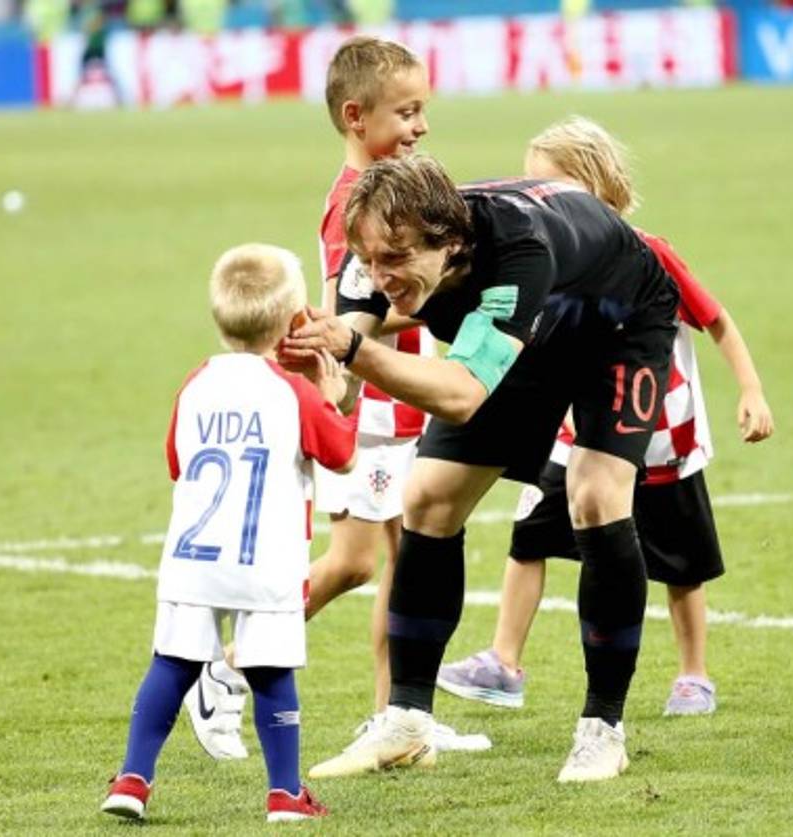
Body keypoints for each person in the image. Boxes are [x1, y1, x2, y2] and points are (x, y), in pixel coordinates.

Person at [282, 153, 679, 783]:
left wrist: (351, 349)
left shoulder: (517, 250)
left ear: (453, 242)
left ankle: (603, 728)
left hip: (620, 321)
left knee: (595, 495)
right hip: (528, 329)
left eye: (399, 259)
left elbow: (462, 393)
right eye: (374, 261)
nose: (383, 277)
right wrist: (324, 370)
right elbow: (347, 372)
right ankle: (407, 724)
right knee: (429, 498)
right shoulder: (377, 253)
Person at [182, 35, 488, 764]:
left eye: (422, 111)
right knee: (354, 561)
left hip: (401, 394)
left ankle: (399, 715)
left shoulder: (394, 190)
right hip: (373, 405)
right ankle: (220, 671)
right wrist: (455, 298)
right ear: (357, 116)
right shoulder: (352, 204)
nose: (420, 127)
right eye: (406, 112)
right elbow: (358, 307)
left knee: (405, 554)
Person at [436, 116, 775, 717]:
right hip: (576, 434)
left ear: (595, 184)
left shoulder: (648, 253)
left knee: (679, 561)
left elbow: (716, 320)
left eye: (553, 185)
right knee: (529, 539)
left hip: (659, 434)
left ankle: (693, 674)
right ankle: (503, 661)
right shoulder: (542, 257)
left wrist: (750, 389)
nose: (539, 201)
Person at [100, 244, 356, 823]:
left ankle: (134, 779)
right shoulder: (293, 392)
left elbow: (175, 460)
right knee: (269, 672)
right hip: (265, 559)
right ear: (295, 322)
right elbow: (339, 454)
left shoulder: (197, 383)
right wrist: (332, 400)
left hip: (193, 557)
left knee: (171, 663)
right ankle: (285, 793)